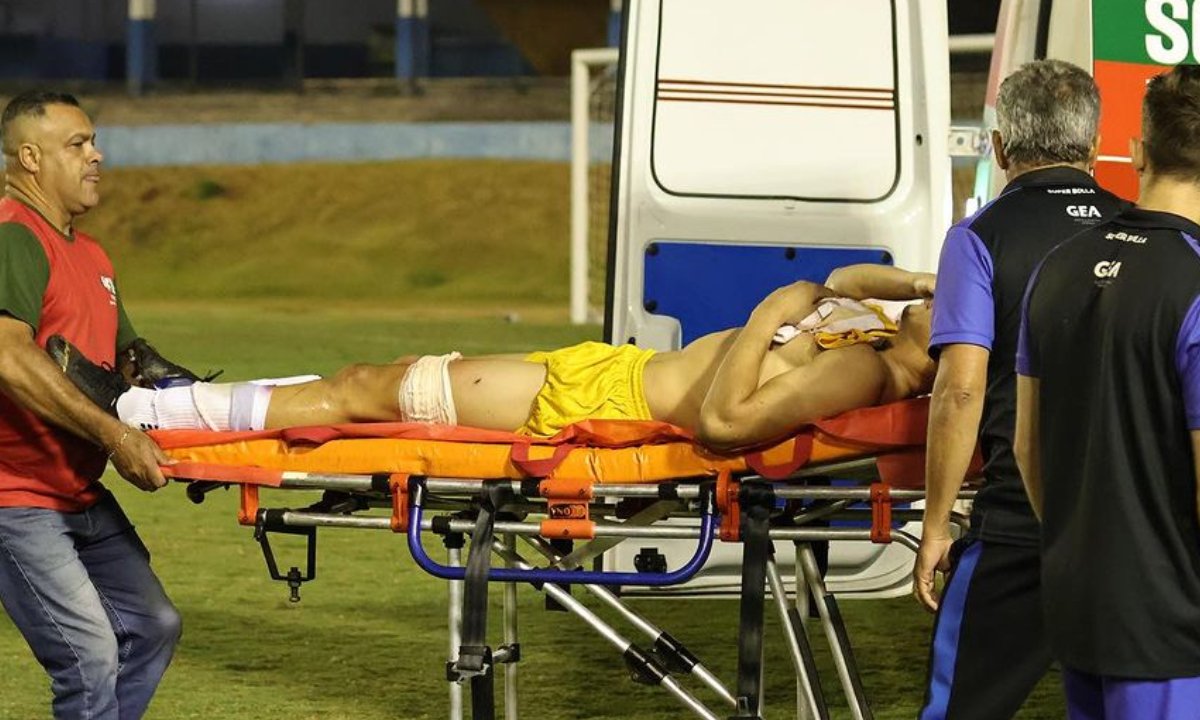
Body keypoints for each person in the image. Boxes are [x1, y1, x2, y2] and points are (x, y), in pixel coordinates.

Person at [52, 264, 936, 452]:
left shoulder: (871, 368)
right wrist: (916, 280)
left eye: (955, 300)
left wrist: (771, 316)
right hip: (601, 367)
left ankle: (141, 413)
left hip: (604, 398)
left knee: (370, 389)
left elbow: (724, 423)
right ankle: (168, 396)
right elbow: (845, 274)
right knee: (376, 375)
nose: (935, 299)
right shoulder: (881, 320)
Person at [914, 60, 1126, 720]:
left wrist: (935, 522)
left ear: (1000, 146)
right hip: (1133, 527)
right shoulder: (1148, 233)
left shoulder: (979, 238)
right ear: (1094, 145)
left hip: (1019, 523)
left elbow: (959, 392)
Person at [1014, 64, 1200, 719]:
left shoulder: (1056, 266)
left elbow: (1027, 445)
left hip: (1079, 602)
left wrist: (1086, 542)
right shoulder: (1195, 283)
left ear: (1140, 152)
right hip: (1173, 629)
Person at [0, 90, 185, 719]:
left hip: (76, 491)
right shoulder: (13, 238)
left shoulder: (93, 255)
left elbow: (131, 367)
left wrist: (206, 426)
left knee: (153, 624)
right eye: (77, 145)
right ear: (30, 157)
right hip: (15, 495)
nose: (96, 155)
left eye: (93, 141)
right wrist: (116, 437)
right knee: (89, 654)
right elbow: (7, 356)